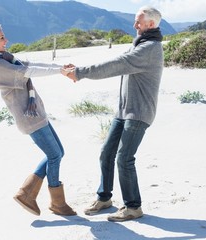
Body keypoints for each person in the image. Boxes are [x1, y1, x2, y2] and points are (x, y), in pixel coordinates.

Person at [64, 6, 164, 222]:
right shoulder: (140, 43)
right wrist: (79, 69)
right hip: (124, 111)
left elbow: (117, 65)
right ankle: (104, 198)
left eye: (139, 22)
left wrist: (80, 73)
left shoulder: (151, 48)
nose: (134, 25)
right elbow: (118, 62)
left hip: (138, 113)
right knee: (107, 152)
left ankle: (133, 207)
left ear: (151, 25)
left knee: (124, 158)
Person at [0, 23, 76, 216]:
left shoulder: (6, 58)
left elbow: (30, 66)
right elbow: (29, 72)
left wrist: (61, 68)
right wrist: (61, 71)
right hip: (29, 118)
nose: (6, 40)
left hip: (37, 114)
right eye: (1, 37)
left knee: (58, 152)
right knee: (54, 155)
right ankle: (55, 203)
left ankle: (27, 193)